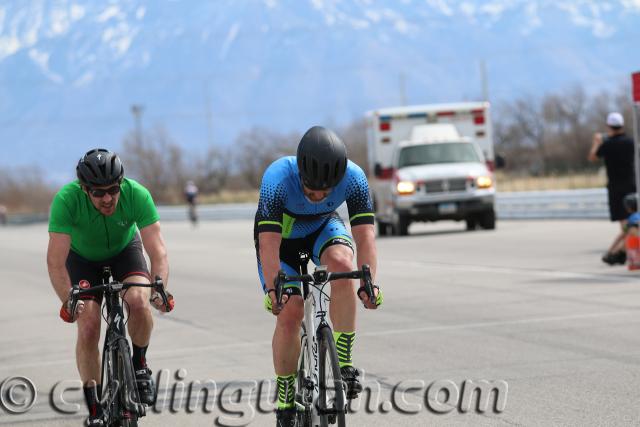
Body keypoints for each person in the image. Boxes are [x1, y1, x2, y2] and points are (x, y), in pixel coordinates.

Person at [253, 126, 383, 426]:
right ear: (300, 172)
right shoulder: (276, 178)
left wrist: (369, 283)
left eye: (326, 191)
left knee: (342, 265)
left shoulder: (355, 177)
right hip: (281, 242)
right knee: (291, 310)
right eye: (311, 190)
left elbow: (365, 238)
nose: (318, 196)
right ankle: (286, 397)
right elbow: (269, 243)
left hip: (323, 228)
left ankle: (345, 362)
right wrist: (275, 292)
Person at [47, 148, 174, 426]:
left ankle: (140, 365)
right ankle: (94, 408)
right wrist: (67, 300)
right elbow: (55, 262)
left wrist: (159, 289)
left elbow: (158, 251)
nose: (107, 198)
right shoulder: (66, 201)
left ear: (122, 184)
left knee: (139, 302)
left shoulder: (137, 194)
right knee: (89, 324)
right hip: (82, 260)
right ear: (84, 189)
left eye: (113, 190)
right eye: (98, 192)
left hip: (124, 251)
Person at [588, 112, 636, 265]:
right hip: (632, 185)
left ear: (609, 126)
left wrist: (597, 142)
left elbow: (592, 157)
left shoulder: (607, 144)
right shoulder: (630, 142)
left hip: (615, 187)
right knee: (633, 220)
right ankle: (621, 251)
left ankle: (621, 252)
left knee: (626, 223)